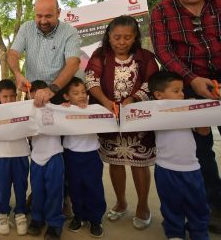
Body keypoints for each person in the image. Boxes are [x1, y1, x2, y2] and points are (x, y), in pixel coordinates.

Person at [150, 0, 221, 234]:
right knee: (200, 150)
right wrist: (193, 80)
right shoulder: (162, 11)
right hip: (189, 86)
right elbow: (163, 52)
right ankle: (213, 205)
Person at [85, 15, 158, 229]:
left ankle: (143, 206)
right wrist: (107, 102)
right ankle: (121, 202)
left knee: (139, 162)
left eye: (127, 37)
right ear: (109, 35)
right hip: (109, 116)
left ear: (135, 37)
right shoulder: (101, 55)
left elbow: (152, 82)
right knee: (115, 161)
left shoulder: (145, 56)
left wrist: (133, 100)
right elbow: (91, 80)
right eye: (117, 37)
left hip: (137, 117)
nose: (121, 42)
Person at [148, 71, 210, 240]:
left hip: (191, 168)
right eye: (176, 91)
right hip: (165, 168)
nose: (182, 94)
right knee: (170, 204)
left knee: (198, 204)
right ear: (159, 95)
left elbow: (204, 132)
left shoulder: (189, 109)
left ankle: (199, 232)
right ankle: (175, 232)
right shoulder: (151, 112)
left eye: (182, 90)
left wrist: (201, 116)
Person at [7, 0, 81, 107]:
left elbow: (73, 63)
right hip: (31, 94)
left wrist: (51, 89)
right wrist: (17, 74)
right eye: (39, 16)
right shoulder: (26, 28)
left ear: (58, 13)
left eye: (48, 16)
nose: (43, 21)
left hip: (57, 94)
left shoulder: (69, 32)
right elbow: (13, 54)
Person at [61, 77, 106, 237]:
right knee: (75, 188)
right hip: (71, 157)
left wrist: (86, 109)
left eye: (83, 92)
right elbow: (52, 117)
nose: (81, 95)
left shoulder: (93, 109)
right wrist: (63, 108)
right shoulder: (63, 110)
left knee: (94, 188)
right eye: (75, 93)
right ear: (66, 97)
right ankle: (79, 216)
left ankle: (95, 219)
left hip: (91, 157)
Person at [27, 81, 64, 240]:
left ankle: (55, 223)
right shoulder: (27, 111)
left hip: (54, 155)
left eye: (44, 93)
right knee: (37, 190)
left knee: (55, 192)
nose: (41, 97)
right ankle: (37, 219)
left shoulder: (58, 109)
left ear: (49, 94)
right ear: (31, 95)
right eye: (36, 94)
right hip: (36, 157)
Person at [0, 79, 30, 236]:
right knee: (2, 188)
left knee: (21, 187)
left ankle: (20, 214)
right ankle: (2, 215)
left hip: (21, 154)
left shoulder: (22, 109)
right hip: (2, 156)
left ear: (16, 96)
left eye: (12, 96)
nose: (8, 100)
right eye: (5, 96)